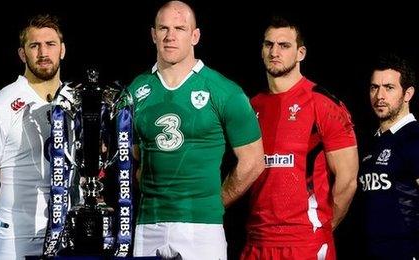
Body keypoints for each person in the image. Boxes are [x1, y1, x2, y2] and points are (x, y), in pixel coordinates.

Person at [126, 1, 265, 259]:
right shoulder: (135, 90)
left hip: (202, 227)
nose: (170, 36)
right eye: (163, 28)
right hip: (148, 223)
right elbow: (133, 155)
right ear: (153, 34)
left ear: (195, 35)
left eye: (180, 28)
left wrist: (216, 202)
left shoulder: (224, 91)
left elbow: (254, 162)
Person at [241, 16, 358, 260]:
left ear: (300, 53)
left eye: (284, 46)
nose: (275, 52)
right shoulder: (250, 107)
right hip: (257, 241)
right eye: (268, 44)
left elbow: (347, 180)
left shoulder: (323, 104)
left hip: (304, 243)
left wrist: (320, 227)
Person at [0, 14, 66, 259]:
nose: (43, 53)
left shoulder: (77, 101)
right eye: (35, 46)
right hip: (16, 238)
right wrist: (7, 220)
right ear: (22, 54)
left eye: (50, 44)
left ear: (62, 50)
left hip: (68, 234)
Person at [358, 53, 419, 259]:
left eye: (389, 87)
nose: (379, 96)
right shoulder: (370, 142)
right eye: (374, 87)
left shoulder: (414, 137)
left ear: (408, 93)